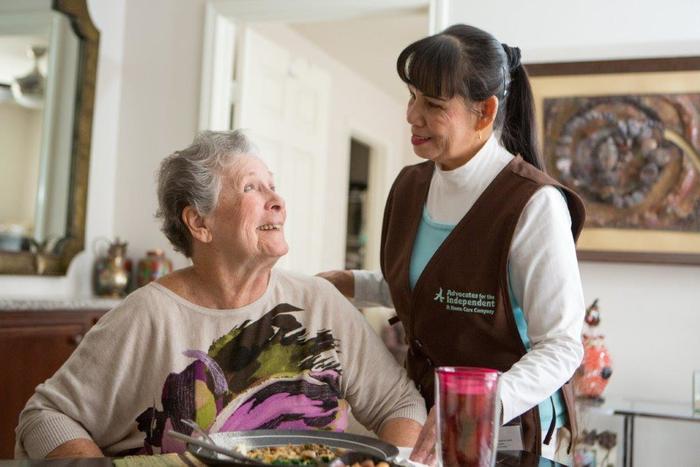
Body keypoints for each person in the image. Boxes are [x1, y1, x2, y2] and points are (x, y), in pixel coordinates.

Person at [15, 130, 425, 459]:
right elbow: (46, 416)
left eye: (273, 186)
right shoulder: (149, 315)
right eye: (252, 188)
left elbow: (400, 404)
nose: (277, 201)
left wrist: (399, 459)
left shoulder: (320, 302)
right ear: (199, 222)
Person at [318, 24, 586, 465]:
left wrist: (478, 406)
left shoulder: (533, 205)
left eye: (433, 105)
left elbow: (562, 344)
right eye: (411, 96)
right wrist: (351, 283)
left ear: (484, 112)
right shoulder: (410, 186)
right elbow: (434, 289)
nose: (411, 115)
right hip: (429, 419)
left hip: (510, 436)